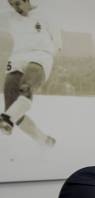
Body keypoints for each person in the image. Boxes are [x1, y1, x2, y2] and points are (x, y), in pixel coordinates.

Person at [0, 0, 58, 146]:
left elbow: (57, 42)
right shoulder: (8, 17)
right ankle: (44, 140)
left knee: (26, 86)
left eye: (18, 3)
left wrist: (50, 56)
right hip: (17, 57)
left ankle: (6, 120)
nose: (16, 8)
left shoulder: (46, 14)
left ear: (27, 0)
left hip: (40, 55)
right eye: (12, 4)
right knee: (11, 107)